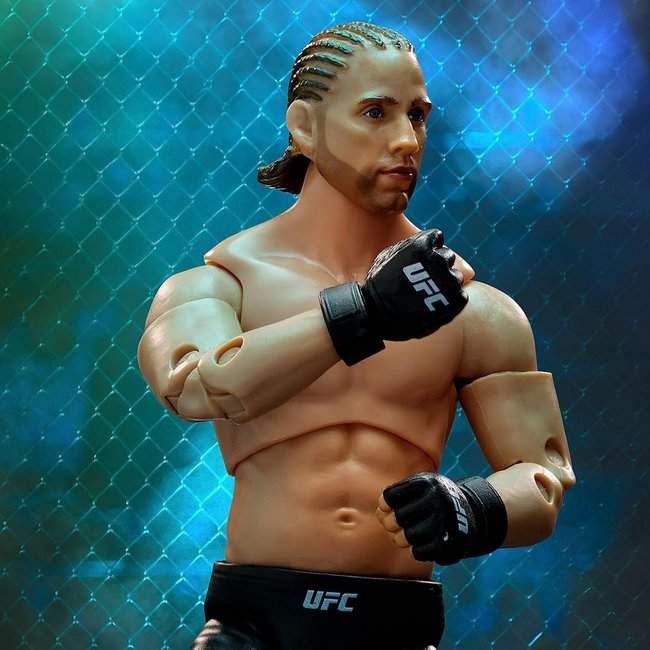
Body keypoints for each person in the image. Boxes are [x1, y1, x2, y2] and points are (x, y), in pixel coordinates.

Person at [137, 22, 576, 650]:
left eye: (417, 116)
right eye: (375, 113)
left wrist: (474, 505)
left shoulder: (475, 310)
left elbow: (543, 477)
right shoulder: (223, 285)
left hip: (397, 621)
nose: (406, 140)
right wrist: (361, 312)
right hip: (255, 620)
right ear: (304, 127)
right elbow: (197, 386)